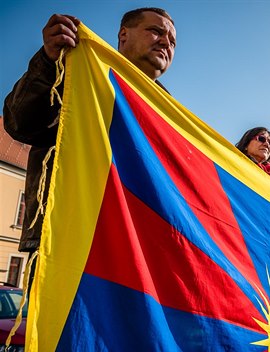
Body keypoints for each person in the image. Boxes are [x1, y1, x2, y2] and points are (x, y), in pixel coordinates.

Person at [3, 8, 176, 258]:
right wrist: (48, 62)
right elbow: (20, 123)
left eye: (171, 40)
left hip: (137, 250)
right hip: (67, 238)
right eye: (155, 31)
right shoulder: (78, 70)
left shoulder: (169, 111)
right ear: (124, 35)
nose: (165, 42)